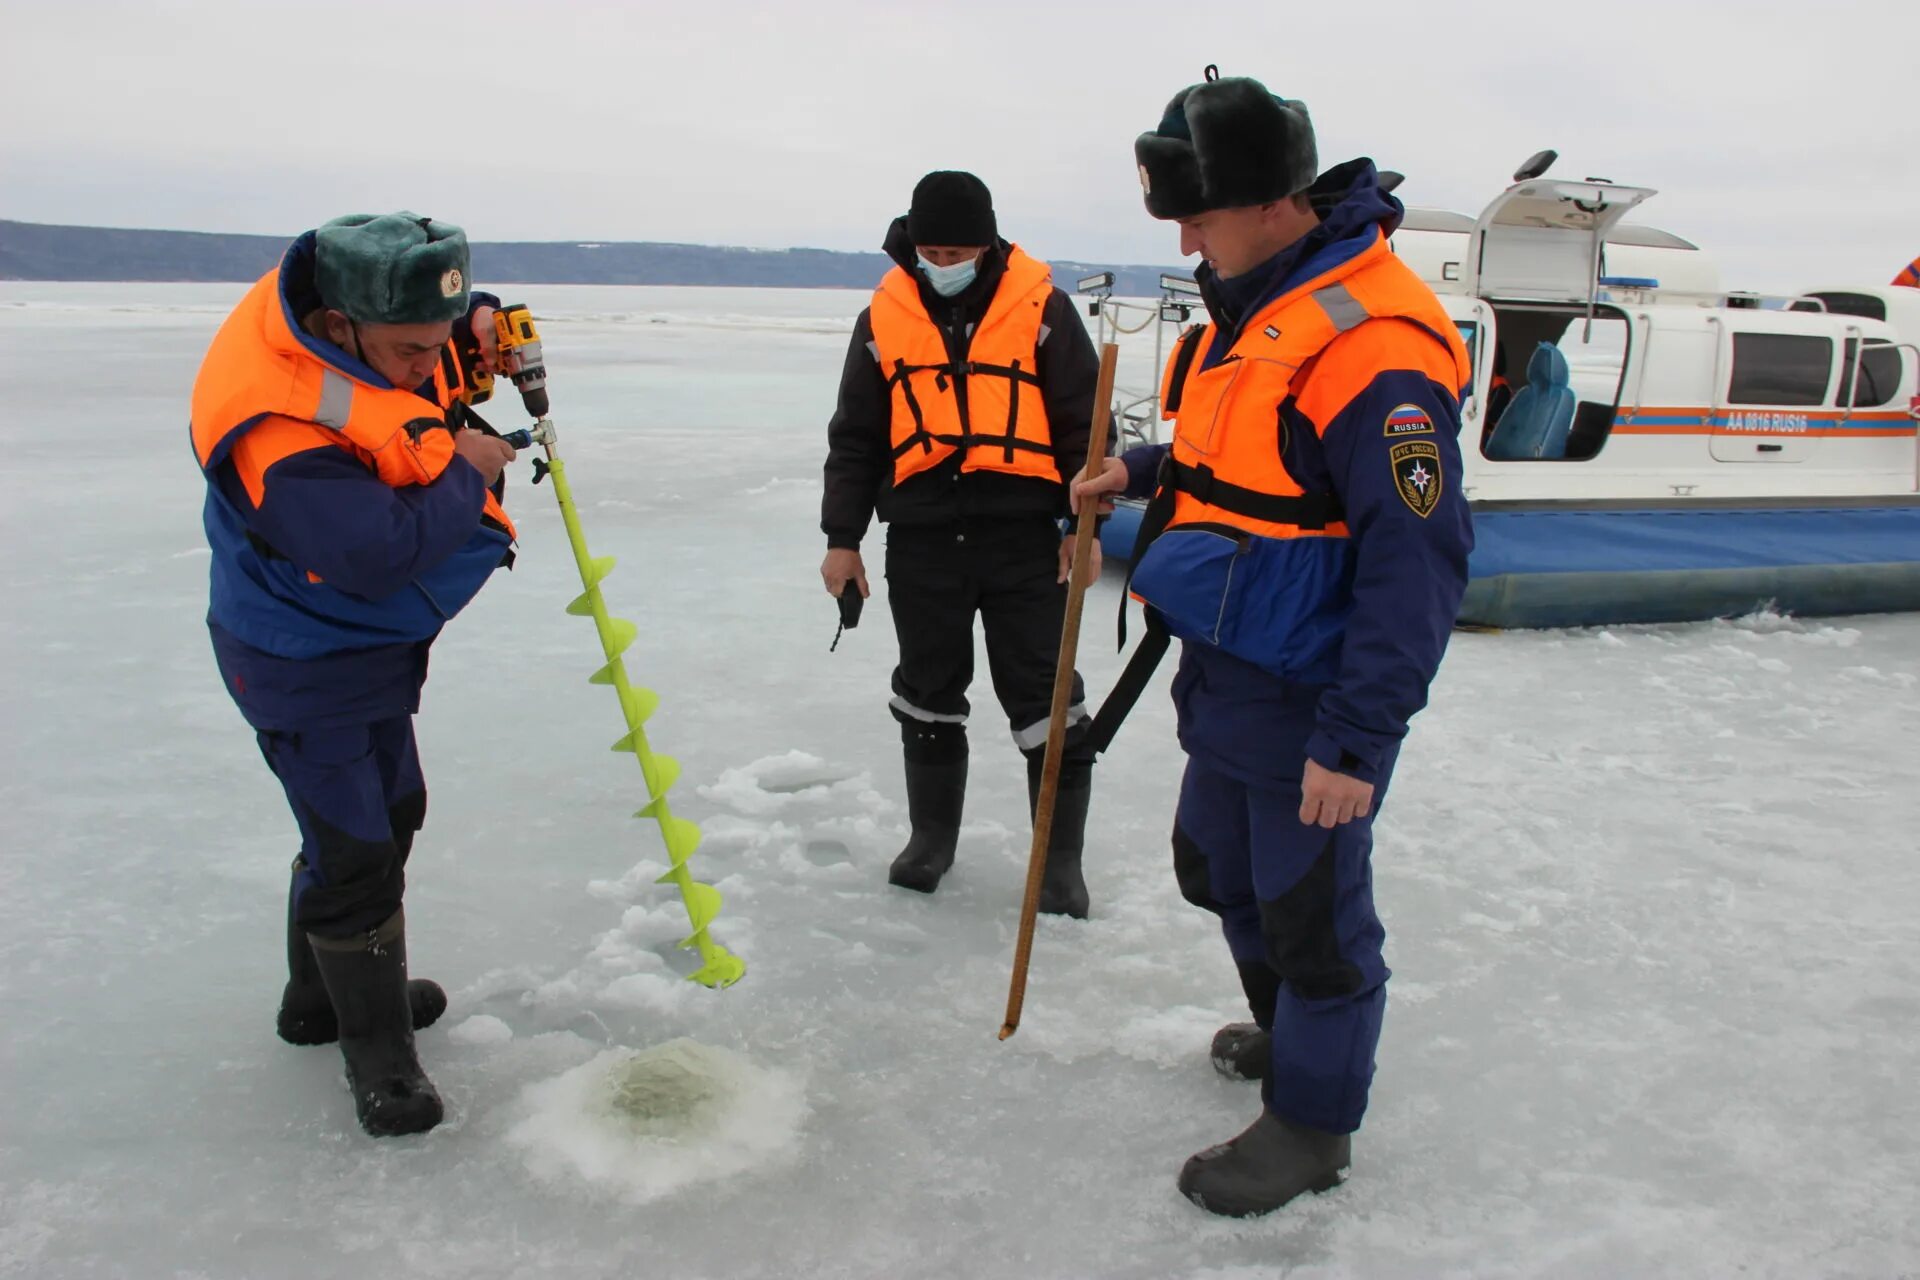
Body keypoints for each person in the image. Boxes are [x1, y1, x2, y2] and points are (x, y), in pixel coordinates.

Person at [1074, 71, 1473, 1214]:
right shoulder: (1256, 307)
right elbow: (1235, 459)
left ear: (1269, 201)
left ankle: (1313, 1121)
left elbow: (1418, 559)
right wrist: (1138, 472)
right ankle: (1291, 1029)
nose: (1189, 239)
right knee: (1218, 865)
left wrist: (1356, 739)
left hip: (1313, 684)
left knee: (1314, 917)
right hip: (1228, 659)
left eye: (1199, 216)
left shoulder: (1372, 346)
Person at [189, 212, 521, 1137]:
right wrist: (468, 466)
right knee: (355, 850)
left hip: (363, 647)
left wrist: (479, 317)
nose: (431, 364)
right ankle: (380, 1063)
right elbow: (374, 553)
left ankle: (317, 999)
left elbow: (423, 357)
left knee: (389, 813)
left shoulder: (370, 325)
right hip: (300, 655)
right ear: (342, 327)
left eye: (442, 343)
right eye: (412, 349)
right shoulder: (274, 424)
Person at [820, 171, 1106, 917]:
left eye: (959, 250)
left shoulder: (1042, 307)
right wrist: (841, 539)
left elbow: (1085, 429)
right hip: (922, 542)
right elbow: (855, 439)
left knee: (1048, 699)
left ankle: (1059, 862)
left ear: (988, 245)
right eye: (932, 249)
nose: (944, 263)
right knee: (928, 693)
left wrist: (1086, 528)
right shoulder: (882, 319)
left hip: (1023, 539)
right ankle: (931, 840)